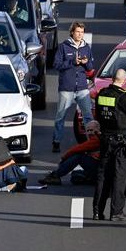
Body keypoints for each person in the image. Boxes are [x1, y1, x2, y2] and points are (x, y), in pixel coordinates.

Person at [93, 69, 126, 222]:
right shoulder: (123, 97)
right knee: (119, 176)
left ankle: (97, 212)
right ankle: (116, 212)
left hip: (105, 139)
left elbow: (98, 115)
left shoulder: (102, 94)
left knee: (103, 176)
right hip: (121, 142)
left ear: (112, 78)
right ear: (124, 81)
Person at [52, 22, 96, 153]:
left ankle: (91, 143)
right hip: (67, 88)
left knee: (88, 116)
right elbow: (56, 65)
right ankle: (56, 141)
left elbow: (90, 68)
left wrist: (86, 63)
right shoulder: (63, 47)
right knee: (61, 116)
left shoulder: (86, 47)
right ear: (72, 32)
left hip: (82, 88)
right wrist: (72, 62)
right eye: (77, 32)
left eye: (82, 32)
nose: (80, 34)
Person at [40, 121, 102, 185]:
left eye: (91, 130)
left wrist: (63, 158)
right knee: (76, 175)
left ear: (98, 130)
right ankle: (90, 179)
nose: (89, 132)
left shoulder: (97, 139)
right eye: (88, 131)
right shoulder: (98, 138)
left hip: (100, 171)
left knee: (79, 156)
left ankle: (55, 175)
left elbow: (76, 149)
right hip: (99, 170)